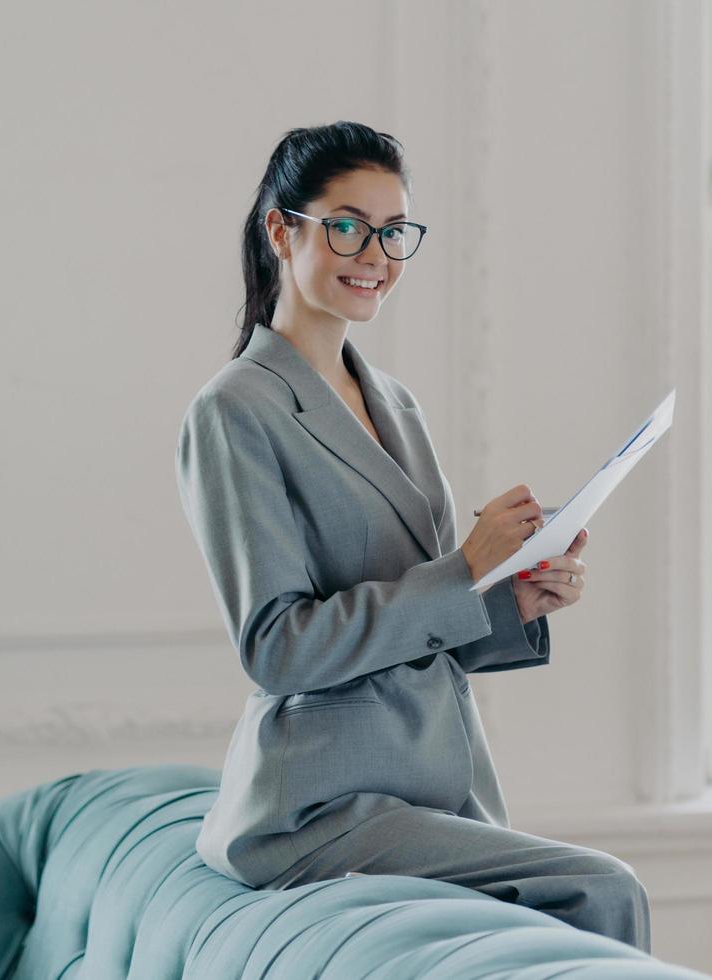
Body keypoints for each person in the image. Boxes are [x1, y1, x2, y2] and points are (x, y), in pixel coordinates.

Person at [175, 121, 650, 952]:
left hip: (431, 783)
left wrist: (513, 600)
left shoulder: (394, 402)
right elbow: (278, 648)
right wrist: (464, 566)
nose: (378, 255)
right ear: (282, 230)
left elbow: (424, 625)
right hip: (319, 805)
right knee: (601, 889)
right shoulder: (236, 410)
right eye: (350, 225)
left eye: (396, 232)